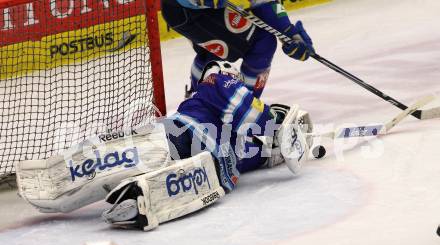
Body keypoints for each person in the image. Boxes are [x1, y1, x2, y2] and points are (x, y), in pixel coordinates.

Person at [16, 61, 313, 231]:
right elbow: (257, 117)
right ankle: (68, 177)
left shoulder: (238, 136)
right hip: (184, 146)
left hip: (191, 153)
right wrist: (281, 130)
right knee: (189, 171)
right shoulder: (219, 83)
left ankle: (138, 194)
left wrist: (286, 142)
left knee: (133, 156)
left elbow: (265, 150)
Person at [161, 0, 315, 98]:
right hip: (186, 11)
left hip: (196, 9)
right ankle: (243, 110)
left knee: (219, 50)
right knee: (262, 42)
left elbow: (262, 2)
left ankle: (197, 103)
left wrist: (289, 32)